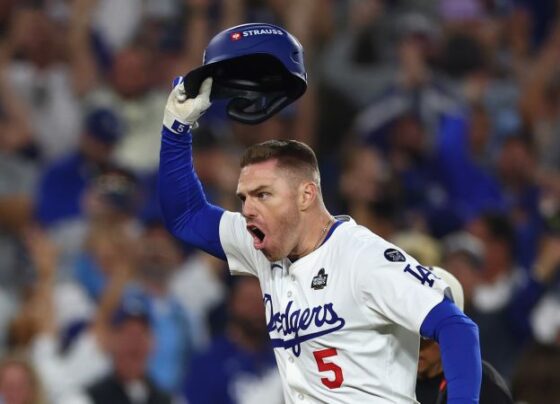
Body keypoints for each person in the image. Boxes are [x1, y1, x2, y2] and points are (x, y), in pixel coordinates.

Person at [157, 71, 482, 402]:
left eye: (264, 195)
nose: (251, 210)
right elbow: (186, 216)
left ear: (305, 195)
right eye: (246, 198)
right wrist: (176, 129)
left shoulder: (363, 258)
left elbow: (456, 327)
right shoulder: (264, 244)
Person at [416, 267, 513, 404]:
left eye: (427, 335)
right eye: (410, 331)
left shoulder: (484, 389)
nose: (418, 344)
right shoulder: (386, 374)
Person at [183, 276, 282, 404]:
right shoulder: (209, 363)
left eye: (263, 302)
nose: (257, 309)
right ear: (232, 305)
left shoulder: (283, 357)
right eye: (249, 301)